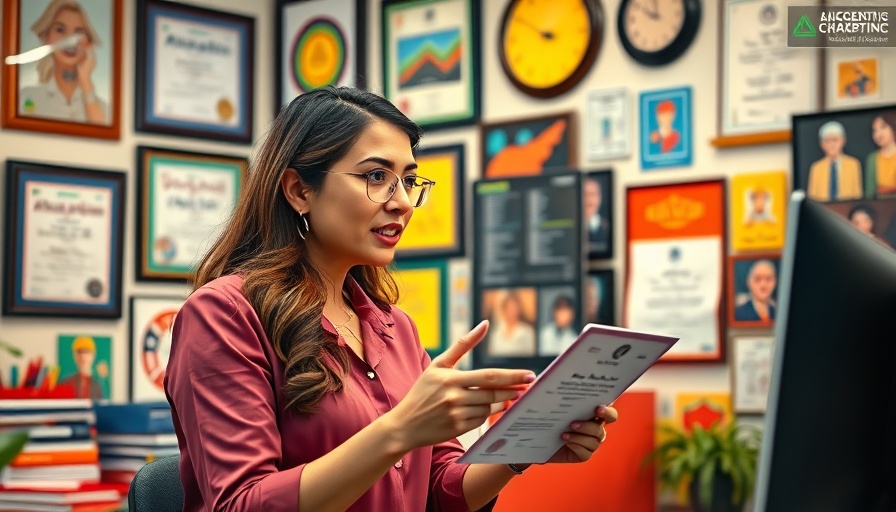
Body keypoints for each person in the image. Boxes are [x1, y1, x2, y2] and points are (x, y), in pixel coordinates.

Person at [165, 87, 617, 512]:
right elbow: (241, 502)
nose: (402, 202)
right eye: (377, 176)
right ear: (299, 191)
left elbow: (438, 489)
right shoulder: (224, 314)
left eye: (409, 180)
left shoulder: (395, 327)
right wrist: (399, 430)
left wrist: (520, 449)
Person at [19, 0, 107, 124]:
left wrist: (86, 82)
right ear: (45, 37)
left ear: (88, 43)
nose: (70, 40)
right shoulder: (26, 98)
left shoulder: (103, 109)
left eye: (78, 33)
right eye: (60, 30)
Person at [807, 121, 863, 201]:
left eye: (835, 140)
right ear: (822, 144)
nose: (831, 144)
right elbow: (812, 199)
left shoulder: (853, 164)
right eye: (827, 140)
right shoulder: (816, 168)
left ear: (843, 141)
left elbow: (857, 195)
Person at [488, 290, 537, 357]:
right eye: (509, 307)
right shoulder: (496, 333)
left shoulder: (527, 331)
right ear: (504, 309)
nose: (512, 311)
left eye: (514, 307)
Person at [864, 112, 896, 199]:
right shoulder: (872, 159)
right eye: (875, 130)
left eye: (883, 127)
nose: (878, 134)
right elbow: (870, 193)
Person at [583, 177, 609, 254]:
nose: (589, 199)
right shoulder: (572, 229)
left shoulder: (607, 227)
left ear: (599, 198)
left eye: (593, 194)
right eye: (585, 194)